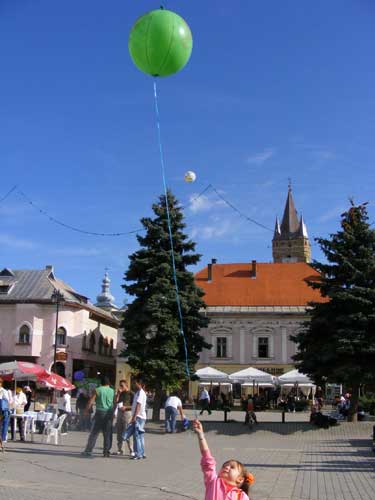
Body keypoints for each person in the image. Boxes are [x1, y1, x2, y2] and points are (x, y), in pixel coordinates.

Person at [193, 419, 254, 499]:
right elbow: (207, 459)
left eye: (232, 467)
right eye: (224, 466)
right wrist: (201, 436)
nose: (226, 467)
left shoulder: (242, 496)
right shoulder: (213, 481)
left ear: (240, 479)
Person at [82, 376, 115, 458]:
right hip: (109, 413)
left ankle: (88, 450)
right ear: (108, 383)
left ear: (101, 383)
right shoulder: (112, 391)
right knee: (107, 433)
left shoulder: (97, 390)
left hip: (100, 413)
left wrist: (86, 410)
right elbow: (114, 402)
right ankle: (106, 452)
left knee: (94, 433)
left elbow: (91, 401)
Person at [123, 375, 147, 460]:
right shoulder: (138, 392)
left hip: (139, 417)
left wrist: (134, 417)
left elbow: (138, 405)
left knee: (137, 436)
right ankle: (142, 453)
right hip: (139, 417)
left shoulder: (141, 393)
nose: (133, 384)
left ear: (139, 383)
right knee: (140, 436)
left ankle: (138, 454)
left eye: (135, 382)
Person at [114, 380, 134, 456]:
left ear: (126, 386)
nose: (121, 387)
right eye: (120, 385)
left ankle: (131, 450)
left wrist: (126, 407)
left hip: (127, 413)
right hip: (120, 413)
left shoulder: (131, 393)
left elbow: (134, 405)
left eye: (122, 385)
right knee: (119, 431)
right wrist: (118, 394)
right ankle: (120, 449)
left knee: (127, 431)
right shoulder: (121, 393)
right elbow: (115, 402)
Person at [0, 378, 11, 446]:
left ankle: (2, 439)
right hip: (2, 410)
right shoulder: (3, 391)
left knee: (3, 425)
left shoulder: (3, 391)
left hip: (1, 411)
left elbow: (7, 400)